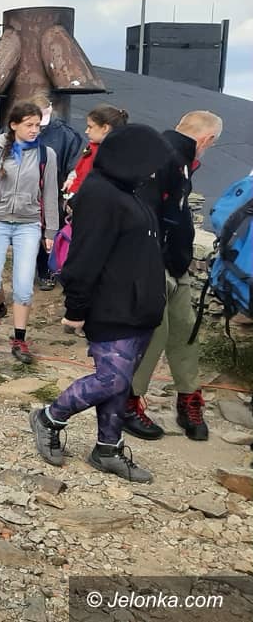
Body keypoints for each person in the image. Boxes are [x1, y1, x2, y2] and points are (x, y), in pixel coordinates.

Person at [29, 124, 171, 483]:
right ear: (132, 158)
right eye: (150, 163)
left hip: (139, 308)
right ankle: (49, 417)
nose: (153, 172)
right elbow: (84, 258)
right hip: (112, 306)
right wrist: (75, 309)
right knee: (110, 379)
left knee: (121, 383)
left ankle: (107, 449)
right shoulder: (100, 194)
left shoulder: (129, 191)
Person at [123, 110, 224, 442]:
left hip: (176, 263)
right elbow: (143, 214)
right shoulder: (163, 157)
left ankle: (188, 397)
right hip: (154, 263)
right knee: (156, 333)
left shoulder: (180, 159)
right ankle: (128, 401)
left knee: (185, 330)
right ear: (207, 139)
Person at [0, 100, 59, 363]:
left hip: (28, 225)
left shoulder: (46, 155)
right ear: (14, 125)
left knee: (24, 287)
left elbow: (50, 194)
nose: (34, 130)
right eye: (29, 125)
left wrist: (50, 232)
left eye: (38, 125)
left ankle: (19, 339)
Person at [31, 94, 84, 290]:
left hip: (53, 191)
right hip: (26, 192)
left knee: (50, 233)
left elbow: (74, 166)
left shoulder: (65, 135)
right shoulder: (20, 128)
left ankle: (49, 270)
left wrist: (69, 191)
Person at [64, 104, 129, 197]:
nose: (86, 131)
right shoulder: (92, 146)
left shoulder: (111, 155)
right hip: (76, 194)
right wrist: (71, 179)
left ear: (105, 128)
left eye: (90, 127)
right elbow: (80, 168)